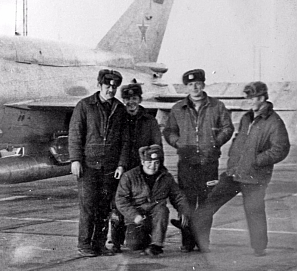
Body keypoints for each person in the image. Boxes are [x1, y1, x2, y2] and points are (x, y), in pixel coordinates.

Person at [192, 81, 290, 256]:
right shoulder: (247, 118)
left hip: (255, 176)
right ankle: (192, 233)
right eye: (249, 97)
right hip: (234, 172)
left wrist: (257, 160)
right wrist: (232, 162)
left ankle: (259, 247)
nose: (249, 101)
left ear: (262, 98)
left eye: (252, 98)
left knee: (254, 211)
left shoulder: (274, 122)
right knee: (210, 203)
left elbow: (281, 148)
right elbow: (239, 141)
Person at [163, 69, 234, 252]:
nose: (194, 87)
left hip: (208, 162)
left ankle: (203, 240)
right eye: (190, 84)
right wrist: (177, 142)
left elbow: (228, 127)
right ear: (186, 86)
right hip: (186, 162)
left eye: (198, 83)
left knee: (206, 202)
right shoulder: (178, 108)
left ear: (203, 84)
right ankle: (187, 241)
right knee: (185, 202)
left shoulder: (217, 106)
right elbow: (169, 130)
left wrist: (215, 142)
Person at [69, 69, 130, 257]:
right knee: (88, 207)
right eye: (107, 86)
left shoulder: (119, 109)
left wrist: (121, 164)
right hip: (88, 166)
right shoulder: (85, 106)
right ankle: (84, 244)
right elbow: (75, 134)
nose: (111, 90)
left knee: (104, 208)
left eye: (114, 87)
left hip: (110, 167)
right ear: (99, 85)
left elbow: (125, 140)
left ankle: (100, 244)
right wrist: (76, 160)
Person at [108, 80, 163, 252]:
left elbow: (157, 147)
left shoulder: (150, 121)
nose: (131, 102)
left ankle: (144, 235)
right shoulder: (118, 119)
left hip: (142, 172)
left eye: (134, 98)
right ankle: (114, 241)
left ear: (140, 99)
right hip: (121, 170)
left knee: (143, 204)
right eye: (127, 99)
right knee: (117, 207)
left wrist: (155, 173)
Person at [115, 145, 190, 256]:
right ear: (142, 162)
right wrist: (134, 215)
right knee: (134, 245)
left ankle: (156, 245)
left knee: (162, 209)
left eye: (156, 162)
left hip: (156, 215)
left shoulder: (166, 177)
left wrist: (183, 210)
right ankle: (143, 240)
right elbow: (121, 200)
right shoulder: (129, 176)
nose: (152, 166)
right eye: (149, 162)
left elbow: (178, 196)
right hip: (137, 215)